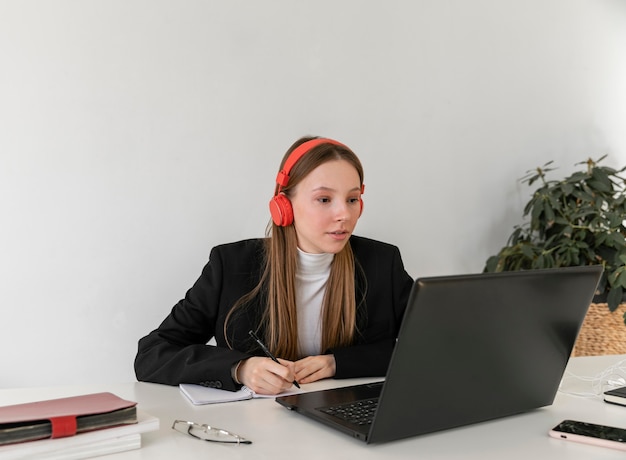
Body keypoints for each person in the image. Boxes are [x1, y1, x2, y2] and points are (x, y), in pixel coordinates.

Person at [134, 136, 414, 395]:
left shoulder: (382, 263)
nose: (344, 214)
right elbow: (152, 354)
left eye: (352, 199)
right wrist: (240, 368)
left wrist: (338, 364)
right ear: (284, 205)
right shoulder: (230, 265)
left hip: (345, 421)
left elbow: (431, 347)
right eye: (324, 199)